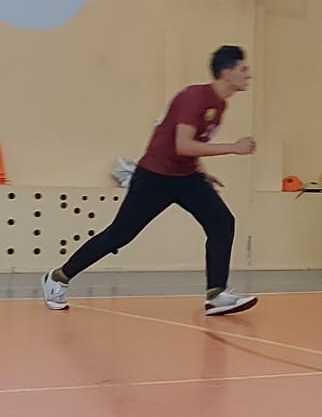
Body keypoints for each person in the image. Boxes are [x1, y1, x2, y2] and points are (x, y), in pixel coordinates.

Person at [41, 46, 258, 317]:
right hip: (155, 176)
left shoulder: (220, 104)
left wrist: (202, 172)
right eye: (243, 69)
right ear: (227, 72)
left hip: (186, 176)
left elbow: (194, 144)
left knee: (222, 222)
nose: (248, 74)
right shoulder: (194, 97)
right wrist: (233, 148)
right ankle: (58, 278)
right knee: (119, 235)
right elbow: (182, 145)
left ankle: (216, 295)